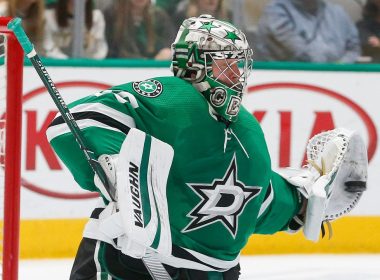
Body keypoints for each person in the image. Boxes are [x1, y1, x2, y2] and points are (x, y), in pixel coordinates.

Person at [46, 14, 368, 280]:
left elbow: (251, 196)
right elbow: (78, 121)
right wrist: (115, 165)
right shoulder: (168, 96)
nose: (237, 76)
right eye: (226, 64)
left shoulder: (246, 127)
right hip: (130, 264)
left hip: (214, 273)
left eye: (240, 66)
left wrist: (302, 205)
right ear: (193, 62)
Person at [255, 0, 361, 63]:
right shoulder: (275, 11)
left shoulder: (338, 12)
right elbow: (300, 52)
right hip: (287, 84)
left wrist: (341, 65)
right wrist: (330, 68)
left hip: (340, 82)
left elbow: (354, 47)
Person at [103, 0, 175, 60]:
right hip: (120, 69)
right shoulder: (111, 15)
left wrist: (167, 52)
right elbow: (112, 51)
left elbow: (171, 44)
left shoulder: (160, 16)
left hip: (154, 70)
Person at [43, 0, 108, 59]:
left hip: (89, 67)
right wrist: (70, 63)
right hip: (59, 67)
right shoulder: (49, 17)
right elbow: (48, 48)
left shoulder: (97, 17)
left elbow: (101, 49)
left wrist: (88, 64)